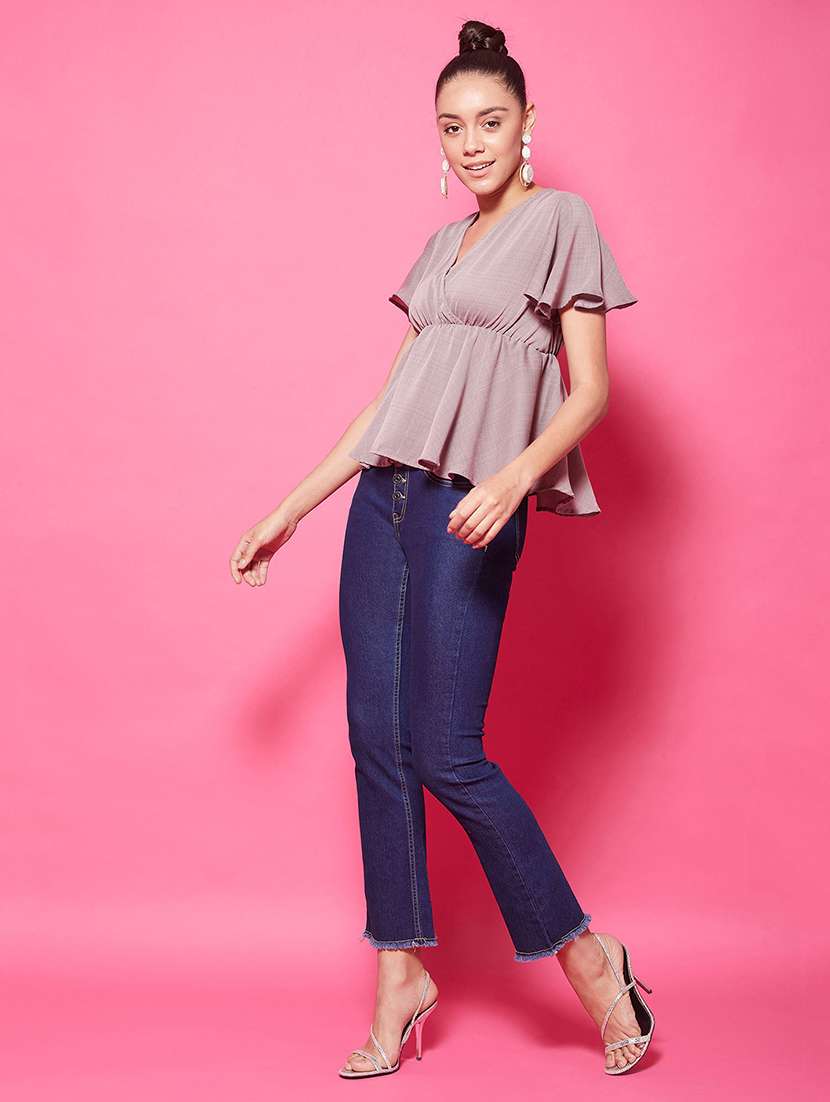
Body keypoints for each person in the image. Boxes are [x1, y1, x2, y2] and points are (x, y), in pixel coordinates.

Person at [229, 17, 655, 1080]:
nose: (471, 144)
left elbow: (591, 389)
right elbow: (389, 404)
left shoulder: (561, 221)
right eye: (452, 127)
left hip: (470, 505)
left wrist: (511, 479)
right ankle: (400, 972)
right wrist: (292, 506)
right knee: (376, 742)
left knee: (446, 751)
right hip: (382, 499)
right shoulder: (436, 251)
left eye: (489, 122)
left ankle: (589, 956)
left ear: (526, 122)